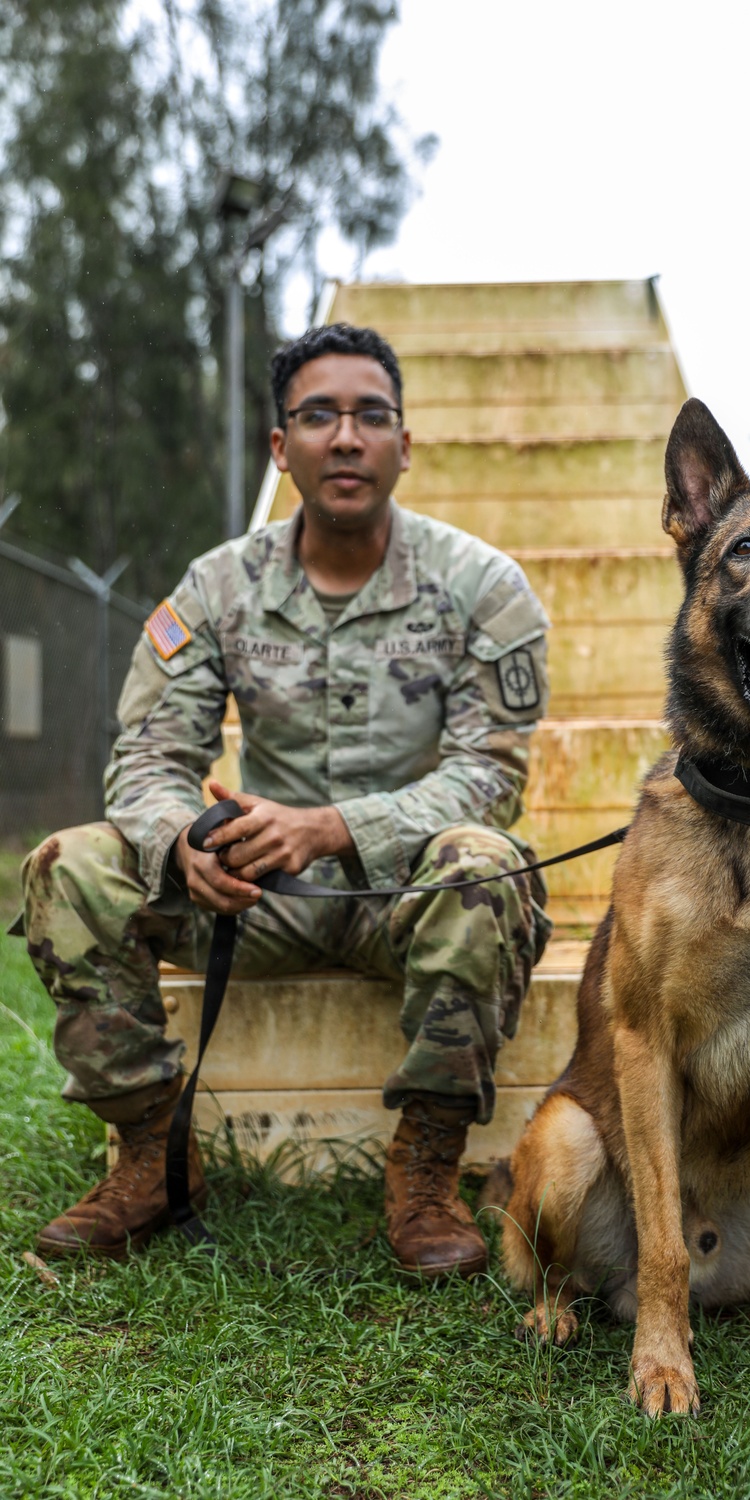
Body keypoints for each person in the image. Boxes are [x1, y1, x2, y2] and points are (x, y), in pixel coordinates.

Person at [17, 322, 552, 1277]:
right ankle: (152, 1157)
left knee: (487, 864)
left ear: (404, 442)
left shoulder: (483, 587)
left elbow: (489, 778)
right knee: (70, 864)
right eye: (318, 416)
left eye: (371, 416)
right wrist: (181, 840)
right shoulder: (219, 586)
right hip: (253, 901)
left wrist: (336, 828)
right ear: (282, 446)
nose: (346, 438)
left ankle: (427, 1170)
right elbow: (146, 753)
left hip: (400, 898)